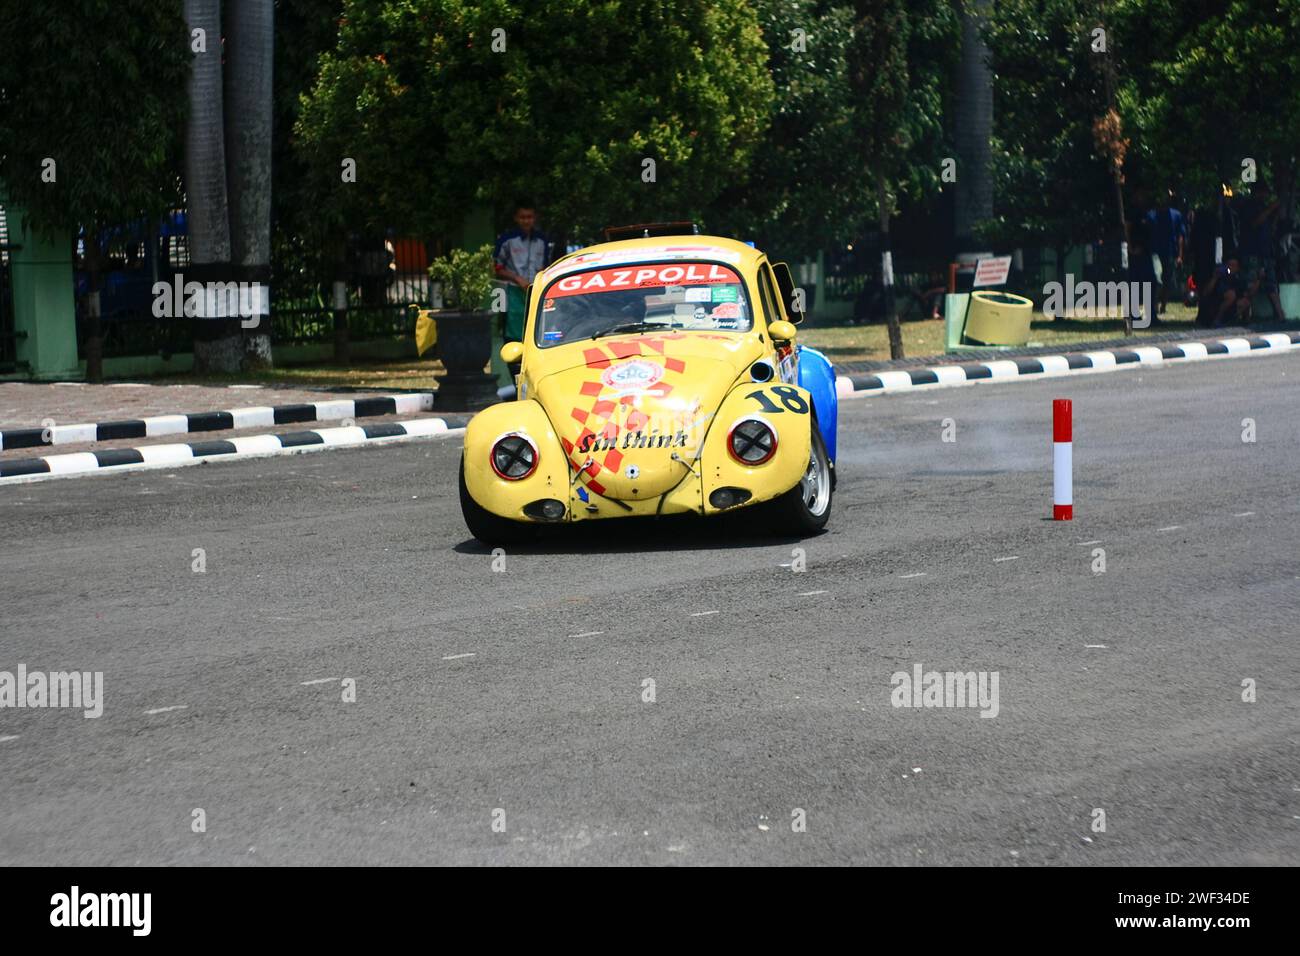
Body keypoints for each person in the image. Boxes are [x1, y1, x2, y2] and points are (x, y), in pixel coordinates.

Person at [493, 199, 550, 342]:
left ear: (534, 218)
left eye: (529, 217)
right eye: (522, 217)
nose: (526, 221)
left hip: (536, 291)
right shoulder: (507, 240)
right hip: (512, 292)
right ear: (516, 219)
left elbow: (546, 266)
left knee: (536, 329)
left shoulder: (542, 240)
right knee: (514, 332)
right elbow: (497, 268)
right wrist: (517, 279)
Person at [1145, 189, 1186, 315]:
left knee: (1168, 280)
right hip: (1155, 252)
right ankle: (1154, 305)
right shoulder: (1151, 215)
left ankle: (1163, 305)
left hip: (1170, 251)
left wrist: (1180, 255)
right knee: (1157, 279)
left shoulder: (1176, 215)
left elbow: (1180, 236)